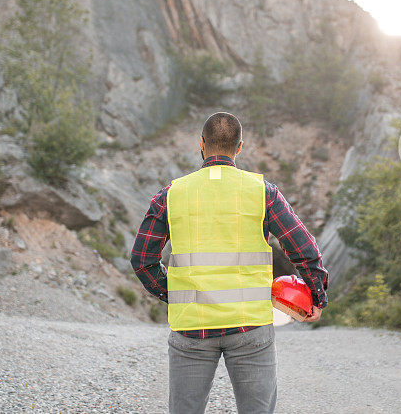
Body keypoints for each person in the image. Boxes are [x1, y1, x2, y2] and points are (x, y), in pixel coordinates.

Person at [131, 111, 329, 414]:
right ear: (239, 147)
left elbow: (142, 260)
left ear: (201, 143)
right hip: (250, 328)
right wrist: (316, 295)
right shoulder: (262, 193)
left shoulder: (171, 195)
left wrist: (174, 295)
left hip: (191, 328)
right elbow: (304, 248)